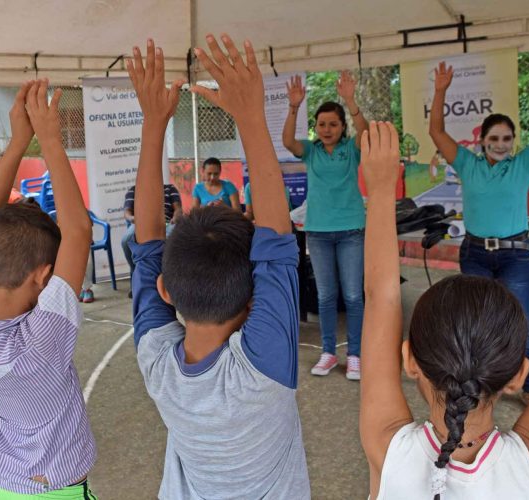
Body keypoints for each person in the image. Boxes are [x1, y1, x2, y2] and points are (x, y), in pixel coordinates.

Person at [359, 95, 529, 499]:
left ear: (408, 361)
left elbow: (381, 297)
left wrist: (381, 189)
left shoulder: (388, 452)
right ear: (519, 375)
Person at [127, 35, 309, 498]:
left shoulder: (159, 366)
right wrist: (249, 115)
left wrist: (154, 126)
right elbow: (152, 249)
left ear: (166, 290)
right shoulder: (262, 370)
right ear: (254, 302)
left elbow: (148, 245)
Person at [0, 80, 97, 498]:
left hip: (2, 487)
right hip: (59, 491)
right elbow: (80, 231)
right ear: (41, 277)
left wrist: (19, 142)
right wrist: (46, 137)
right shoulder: (41, 340)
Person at [428, 55, 529, 403]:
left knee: (522, 324)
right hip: (474, 255)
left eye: (507, 139)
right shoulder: (468, 164)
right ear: (482, 140)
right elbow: (436, 132)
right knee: (478, 324)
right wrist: (440, 91)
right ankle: (483, 383)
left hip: (516, 256)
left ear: (514, 142)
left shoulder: (523, 164)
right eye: (494, 138)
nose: (501, 144)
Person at [282, 70, 369, 380]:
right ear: (315, 128)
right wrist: (294, 107)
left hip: (351, 231)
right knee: (325, 296)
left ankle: (355, 355)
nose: (327, 129)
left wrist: (350, 101)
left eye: (333, 124)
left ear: (342, 126)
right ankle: (329, 353)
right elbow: (287, 141)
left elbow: (367, 133)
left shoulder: (351, 150)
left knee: (354, 296)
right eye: (321, 124)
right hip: (317, 232)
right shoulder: (311, 151)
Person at [121, 182, 182, 275]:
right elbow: (127, 212)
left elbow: (178, 209)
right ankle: (136, 271)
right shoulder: (134, 190)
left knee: (172, 237)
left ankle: (169, 274)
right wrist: (133, 218)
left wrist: (175, 217)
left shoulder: (170, 189)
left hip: (166, 222)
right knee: (126, 239)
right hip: (142, 223)